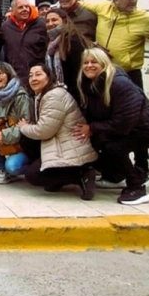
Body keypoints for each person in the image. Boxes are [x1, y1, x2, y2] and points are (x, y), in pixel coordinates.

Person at [75, 47, 149, 206]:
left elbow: (123, 122)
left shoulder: (119, 83)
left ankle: (137, 186)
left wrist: (92, 128)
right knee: (98, 142)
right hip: (127, 127)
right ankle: (117, 176)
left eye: (94, 62)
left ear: (104, 63)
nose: (89, 66)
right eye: (86, 63)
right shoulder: (91, 84)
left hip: (148, 129)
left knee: (113, 147)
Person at [19, 63, 99, 200]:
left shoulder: (53, 96)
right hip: (59, 141)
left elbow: (45, 130)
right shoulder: (45, 94)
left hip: (70, 146)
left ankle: (81, 175)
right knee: (27, 140)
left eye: (38, 74)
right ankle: (58, 178)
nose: (33, 79)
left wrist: (24, 127)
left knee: (33, 176)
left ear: (49, 77)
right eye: (31, 75)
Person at [79, 0, 149, 88]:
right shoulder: (103, 7)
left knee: (132, 103)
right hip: (102, 71)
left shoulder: (144, 18)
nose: (133, 1)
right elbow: (80, 4)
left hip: (129, 74)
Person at [0, 62, 34, 185]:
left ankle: (27, 169)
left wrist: (3, 135)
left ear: (9, 75)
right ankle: (3, 170)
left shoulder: (21, 96)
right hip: (0, 140)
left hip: (20, 144)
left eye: (0, 73)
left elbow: (27, 125)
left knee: (13, 166)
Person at [44, 8, 91, 104]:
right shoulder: (51, 42)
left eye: (54, 20)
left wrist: (74, 96)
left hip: (75, 95)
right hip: (60, 95)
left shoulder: (73, 40)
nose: (50, 24)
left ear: (64, 21)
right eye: (47, 21)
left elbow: (79, 71)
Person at [1, 0, 48, 81]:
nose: (25, 9)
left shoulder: (42, 24)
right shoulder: (5, 27)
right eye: (20, 7)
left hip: (38, 76)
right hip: (15, 76)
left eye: (26, 6)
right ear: (13, 10)